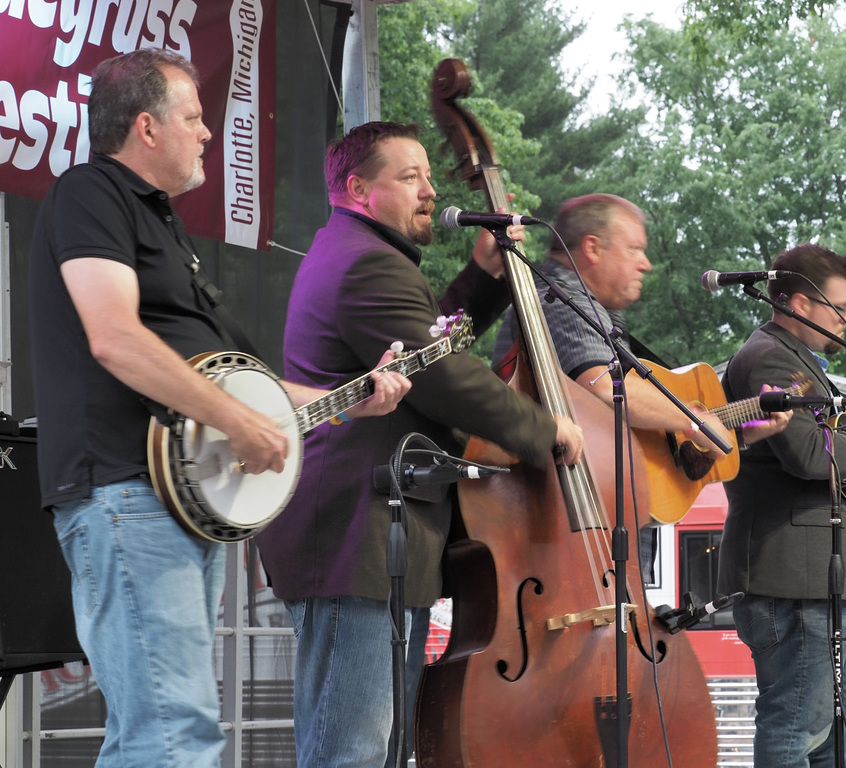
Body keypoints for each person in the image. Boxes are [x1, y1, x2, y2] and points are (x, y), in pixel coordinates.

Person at [27, 50, 408, 768]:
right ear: (145, 127)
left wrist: (352, 400)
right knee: (173, 737)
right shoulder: (90, 194)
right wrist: (237, 424)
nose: (208, 133)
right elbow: (114, 339)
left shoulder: (160, 226)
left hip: (171, 503)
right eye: (194, 118)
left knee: (159, 734)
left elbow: (245, 385)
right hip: (124, 492)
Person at [253, 121, 584, 768]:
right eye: (410, 178)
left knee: (372, 751)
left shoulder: (362, 255)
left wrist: (483, 278)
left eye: (430, 176)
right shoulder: (366, 263)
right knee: (351, 751)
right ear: (358, 189)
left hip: (373, 535)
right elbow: (442, 376)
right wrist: (546, 430)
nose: (431, 191)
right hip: (355, 533)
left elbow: (422, 347)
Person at [492, 193, 790, 522]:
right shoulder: (559, 297)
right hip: (574, 522)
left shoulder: (598, 309)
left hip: (600, 517)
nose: (646, 263)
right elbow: (607, 389)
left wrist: (743, 432)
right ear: (592, 248)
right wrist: (693, 420)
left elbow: (643, 432)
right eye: (634, 248)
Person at [717, 243, 846, 768]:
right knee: (796, 721)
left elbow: (827, 453)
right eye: (839, 307)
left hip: (816, 578)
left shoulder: (799, 362)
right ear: (799, 304)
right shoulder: (772, 358)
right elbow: (806, 452)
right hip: (790, 580)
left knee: (839, 721)